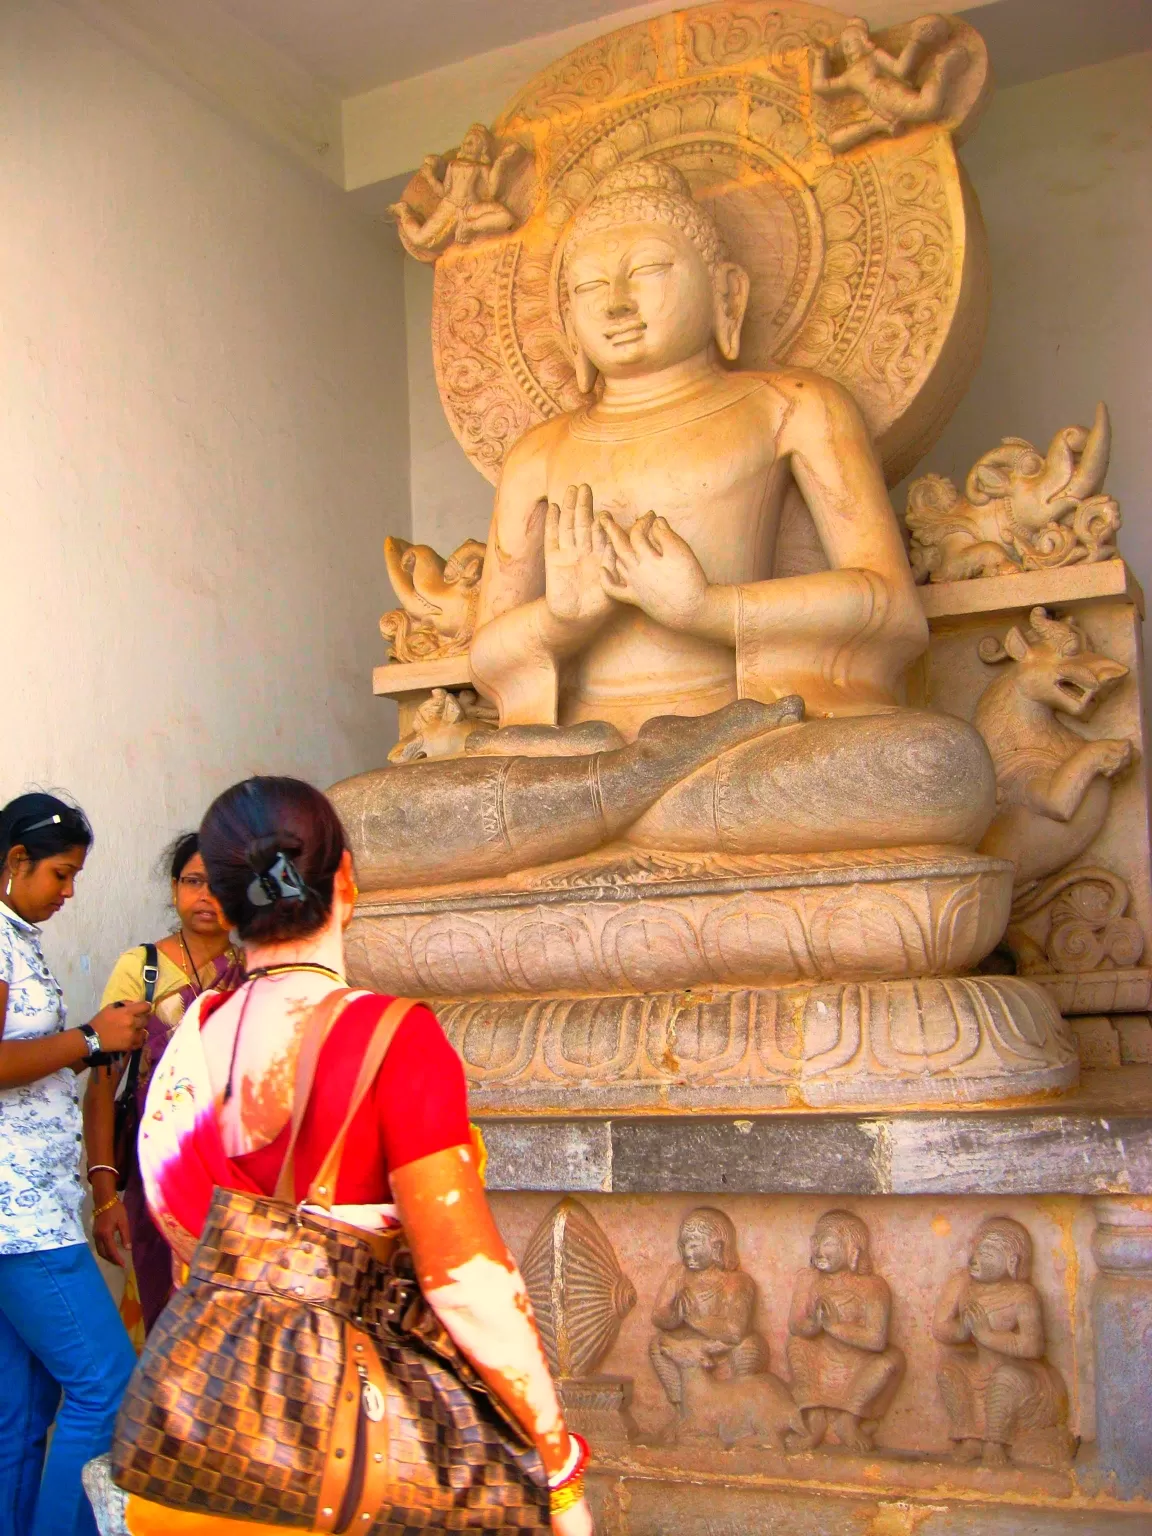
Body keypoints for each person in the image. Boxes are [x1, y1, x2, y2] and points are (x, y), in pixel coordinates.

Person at [124, 775, 593, 1536]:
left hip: (200, 1456)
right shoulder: (395, 1040)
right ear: (346, 877)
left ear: (228, 899)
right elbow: (466, 1282)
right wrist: (557, 1467)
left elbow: (183, 1234)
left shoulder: (191, 1040)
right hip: (351, 1467)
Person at [0, 792, 149, 1536]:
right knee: (106, 1384)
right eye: (60, 875)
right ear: (15, 861)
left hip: (29, 1210)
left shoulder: (15, 936)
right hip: (19, 1219)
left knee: (23, 1411)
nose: (68, 893)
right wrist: (90, 1037)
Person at [85, 832, 242, 1339]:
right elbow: (103, 1086)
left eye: (221, 885)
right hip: (157, 1171)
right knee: (162, 1323)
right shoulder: (142, 970)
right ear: (175, 887)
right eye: (194, 881)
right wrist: (106, 1196)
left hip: (236, 1178)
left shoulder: (255, 972)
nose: (207, 897)